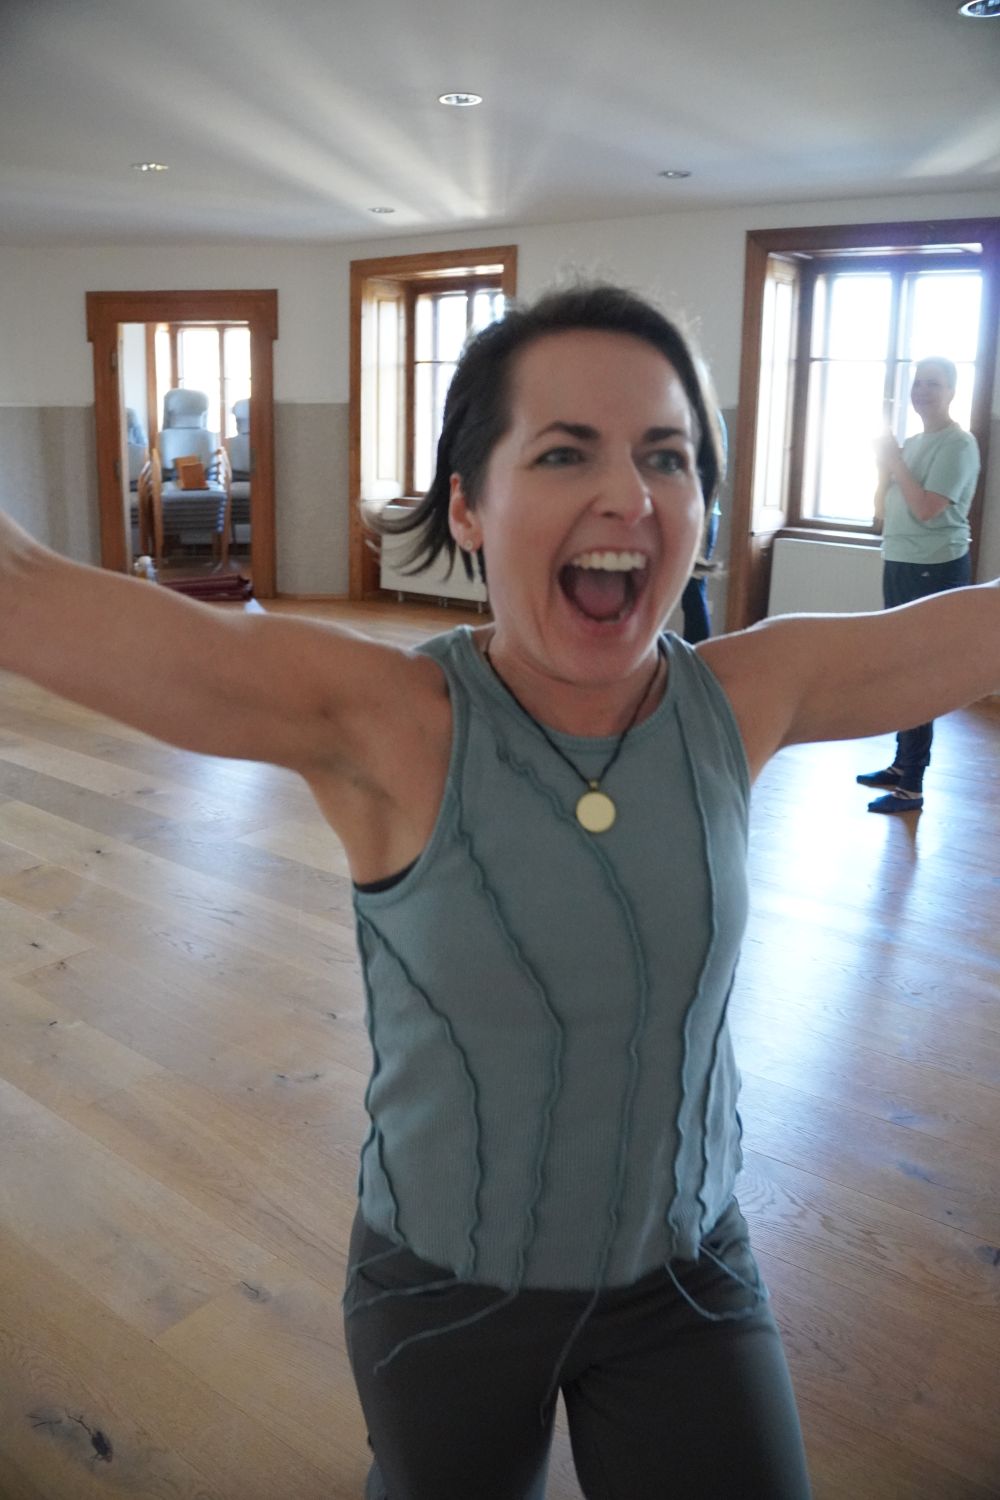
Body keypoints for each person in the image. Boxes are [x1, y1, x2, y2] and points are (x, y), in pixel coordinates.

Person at [2, 284, 999, 1500]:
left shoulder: (742, 698)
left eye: (666, 456)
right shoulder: (388, 720)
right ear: (468, 506)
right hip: (444, 1292)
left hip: (687, 1275)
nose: (630, 494)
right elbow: (23, 593)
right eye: (565, 452)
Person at [857, 357, 981, 814]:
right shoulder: (912, 443)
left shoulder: (958, 444)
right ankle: (901, 764)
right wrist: (884, 466)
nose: (922, 391)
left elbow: (927, 509)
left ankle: (912, 785)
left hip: (935, 565)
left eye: (934, 384)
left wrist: (895, 462)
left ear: (952, 392)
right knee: (899, 665)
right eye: (918, 383)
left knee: (919, 672)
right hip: (900, 560)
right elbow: (884, 510)